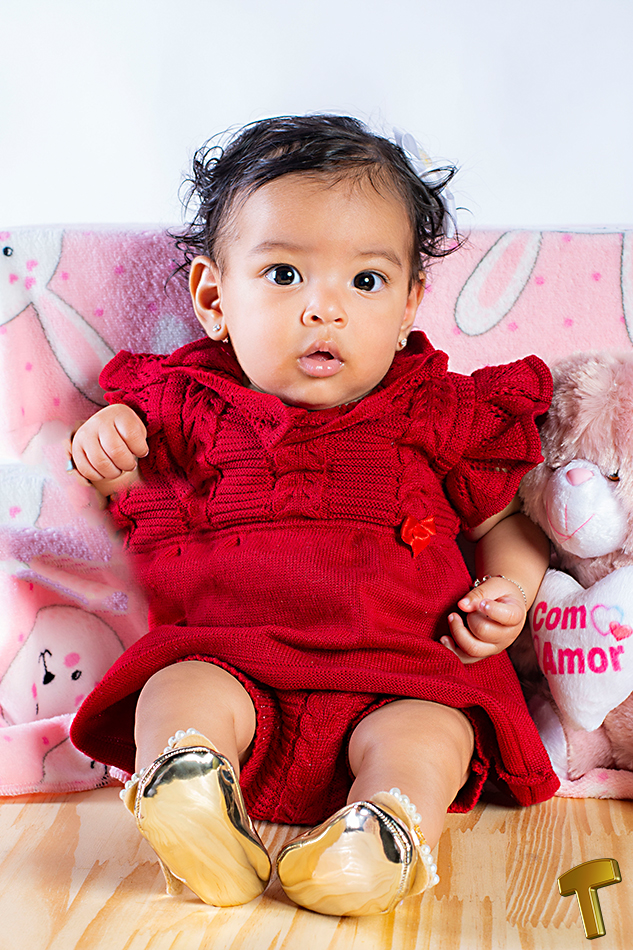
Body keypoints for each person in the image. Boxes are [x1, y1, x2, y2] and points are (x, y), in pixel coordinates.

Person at [69, 114, 559, 917]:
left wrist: (508, 593)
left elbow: (504, 522)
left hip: (400, 673)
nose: (323, 309)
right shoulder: (186, 403)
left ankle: (383, 831)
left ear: (408, 305)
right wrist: (107, 444)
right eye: (284, 274)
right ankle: (189, 784)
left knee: (434, 733)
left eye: (364, 282)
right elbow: (130, 494)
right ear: (213, 297)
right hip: (233, 662)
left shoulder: (437, 410)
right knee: (175, 686)